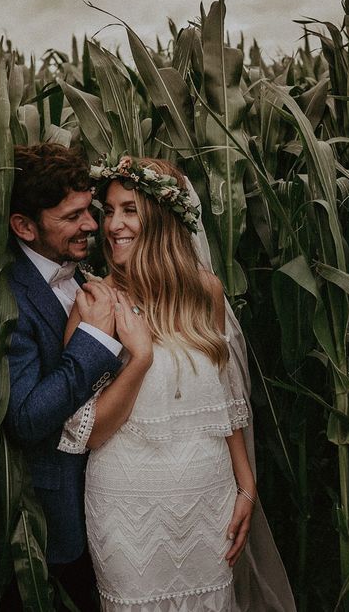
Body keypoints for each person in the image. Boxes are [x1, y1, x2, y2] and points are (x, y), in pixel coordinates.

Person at [58, 156, 257, 610]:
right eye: (109, 210)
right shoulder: (95, 303)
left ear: (163, 219)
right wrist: (140, 358)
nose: (113, 225)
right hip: (128, 510)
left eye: (129, 209)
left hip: (210, 499)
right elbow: (91, 432)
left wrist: (246, 486)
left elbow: (225, 401)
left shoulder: (205, 291)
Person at [5, 143, 153, 610]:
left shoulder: (87, 272)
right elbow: (27, 418)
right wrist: (91, 342)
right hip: (58, 518)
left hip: (120, 501)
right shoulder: (8, 298)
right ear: (24, 226)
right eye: (71, 217)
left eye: (88, 210)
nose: (92, 225)